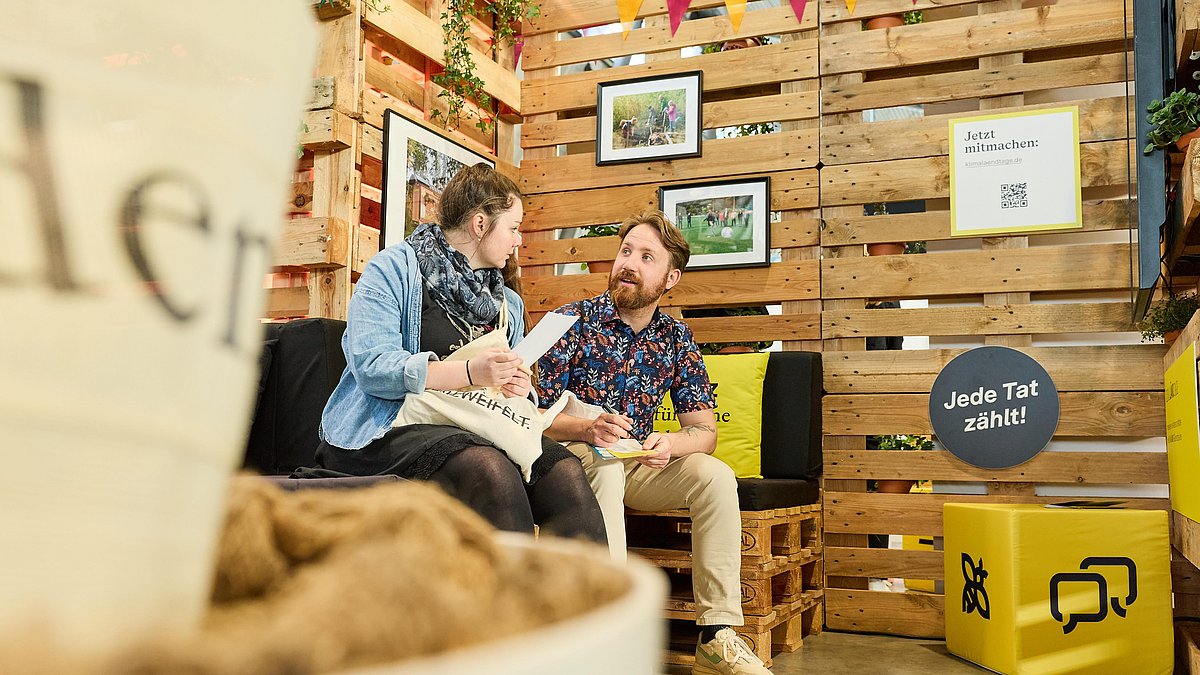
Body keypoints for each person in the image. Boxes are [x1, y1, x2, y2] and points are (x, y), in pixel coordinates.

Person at [315, 163, 606, 545]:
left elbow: (509, 393)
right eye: (514, 228)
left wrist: (518, 387)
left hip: (477, 424)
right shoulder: (393, 269)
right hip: (386, 430)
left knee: (565, 471)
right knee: (490, 469)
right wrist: (470, 372)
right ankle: (506, 605)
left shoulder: (509, 303)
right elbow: (372, 368)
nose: (519, 240)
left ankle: (583, 604)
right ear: (481, 224)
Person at [537, 210, 772, 675]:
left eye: (646, 257)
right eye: (626, 251)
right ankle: (614, 632)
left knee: (715, 477)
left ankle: (716, 635)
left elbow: (705, 432)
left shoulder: (676, 338)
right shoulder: (570, 321)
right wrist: (587, 429)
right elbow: (530, 416)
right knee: (602, 467)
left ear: (670, 278)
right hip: (570, 454)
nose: (630, 263)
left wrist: (671, 444)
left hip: (636, 459)